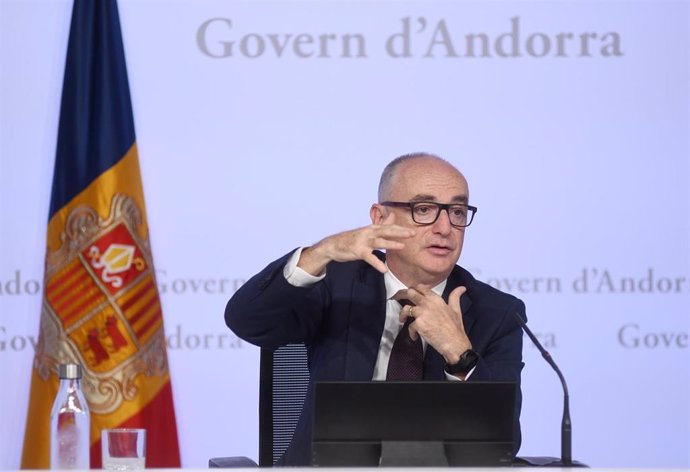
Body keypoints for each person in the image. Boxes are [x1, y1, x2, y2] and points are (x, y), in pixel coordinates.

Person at [225, 153, 527, 465]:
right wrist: (322, 252)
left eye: (458, 211)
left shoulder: (498, 313)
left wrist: (460, 353)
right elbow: (247, 320)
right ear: (380, 217)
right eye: (424, 209)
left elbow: (502, 445)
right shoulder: (336, 285)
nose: (445, 227)